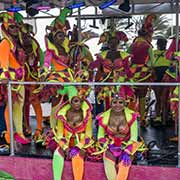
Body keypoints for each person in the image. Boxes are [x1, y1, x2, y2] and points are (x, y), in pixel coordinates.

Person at [96, 88, 143, 180]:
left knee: (124, 163)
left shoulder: (132, 116)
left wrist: (127, 151)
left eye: (120, 102)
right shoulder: (102, 117)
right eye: (114, 102)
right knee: (108, 162)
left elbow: (134, 138)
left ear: (125, 103)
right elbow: (100, 137)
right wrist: (108, 145)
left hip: (128, 146)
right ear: (110, 103)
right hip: (110, 145)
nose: (117, 105)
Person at [0, 12, 30, 144]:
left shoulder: (18, 42)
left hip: (20, 79)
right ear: (5, 27)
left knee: (19, 106)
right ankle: (8, 133)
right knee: (9, 107)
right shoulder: (5, 43)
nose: (15, 29)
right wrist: (4, 75)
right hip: (11, 80)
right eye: (11, 27)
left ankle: (19, 133)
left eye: (16, 27)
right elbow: (3, 61)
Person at [51, 85, 93, 180]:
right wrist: (65, 148)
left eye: (81, 101)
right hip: (65, 141)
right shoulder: (62, 114)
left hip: (82, 143)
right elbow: (59, 135)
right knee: (57, 154)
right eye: (75, 101)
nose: (78, 103)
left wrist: (78, 147)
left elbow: (88, 135)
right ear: (70, 101)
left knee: (77, 156)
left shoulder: (87, 114)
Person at [128, 14, 156, 127]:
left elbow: (127, 56)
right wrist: (147, 66)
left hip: (133, 70)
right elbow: (152, 61)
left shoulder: (133, 45)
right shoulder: (148, 46)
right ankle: (143, 118)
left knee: (131, 95)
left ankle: (131, 118)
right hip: (143, 71)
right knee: (143, 95)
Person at [152, 38, 171, 124]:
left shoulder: (169, 53)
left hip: (166, 75)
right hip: (156, 75)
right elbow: (150, 63)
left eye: (163, 43)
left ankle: (165, 118)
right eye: (160, 43)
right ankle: (158, 117)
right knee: (158, 98)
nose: (162, 45)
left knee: (165, 99)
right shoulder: (153, 52)